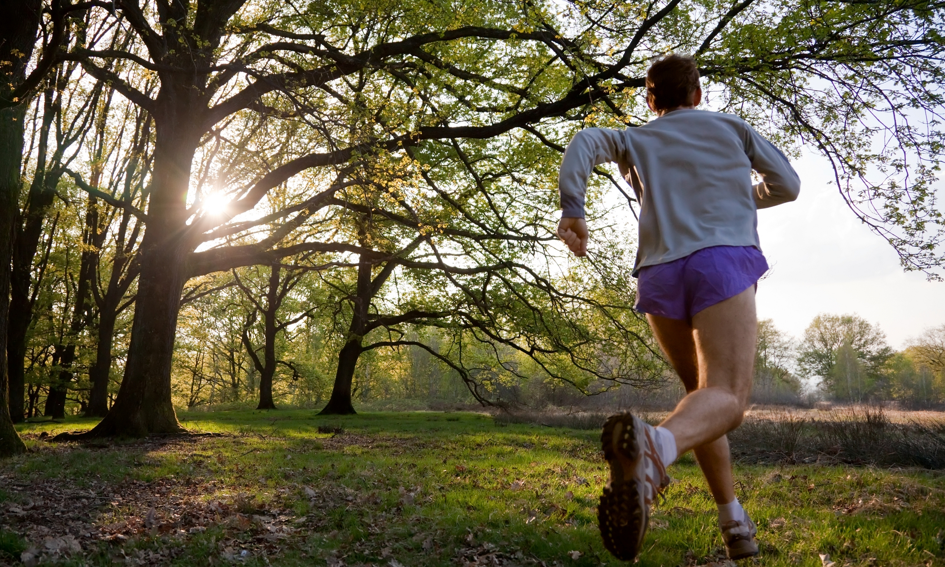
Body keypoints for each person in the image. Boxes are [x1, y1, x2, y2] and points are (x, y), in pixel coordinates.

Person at [556, 53, 800, 561]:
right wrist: (739, 193)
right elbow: (788, 186)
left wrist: (573, 209)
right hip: (720, 261)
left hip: (660, 273)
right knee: (728, 398)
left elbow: (584, 142)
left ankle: (734, 521)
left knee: (700, 398)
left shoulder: (636, 137)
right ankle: (656, 448)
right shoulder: (732, 127)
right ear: (697, 95)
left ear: (651, 100)